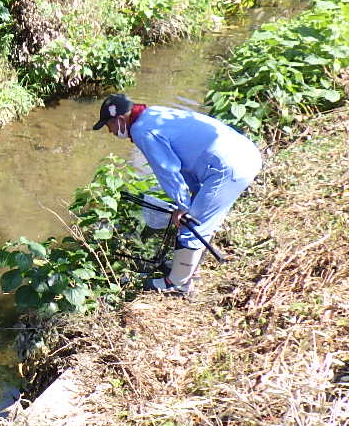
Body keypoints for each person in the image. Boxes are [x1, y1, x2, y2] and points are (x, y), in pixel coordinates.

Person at [92, 93, 262, 295]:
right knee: (199, 218)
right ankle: (189, 270)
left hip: (229, 168)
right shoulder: (153, 114)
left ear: (119, 119)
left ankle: (178, 285)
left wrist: (182, 206)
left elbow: (168, 170)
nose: (111, 132)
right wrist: (189, 197)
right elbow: (184, 162)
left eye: (108, 126)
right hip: (243, 152)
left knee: (190, 224)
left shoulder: (141, 131)